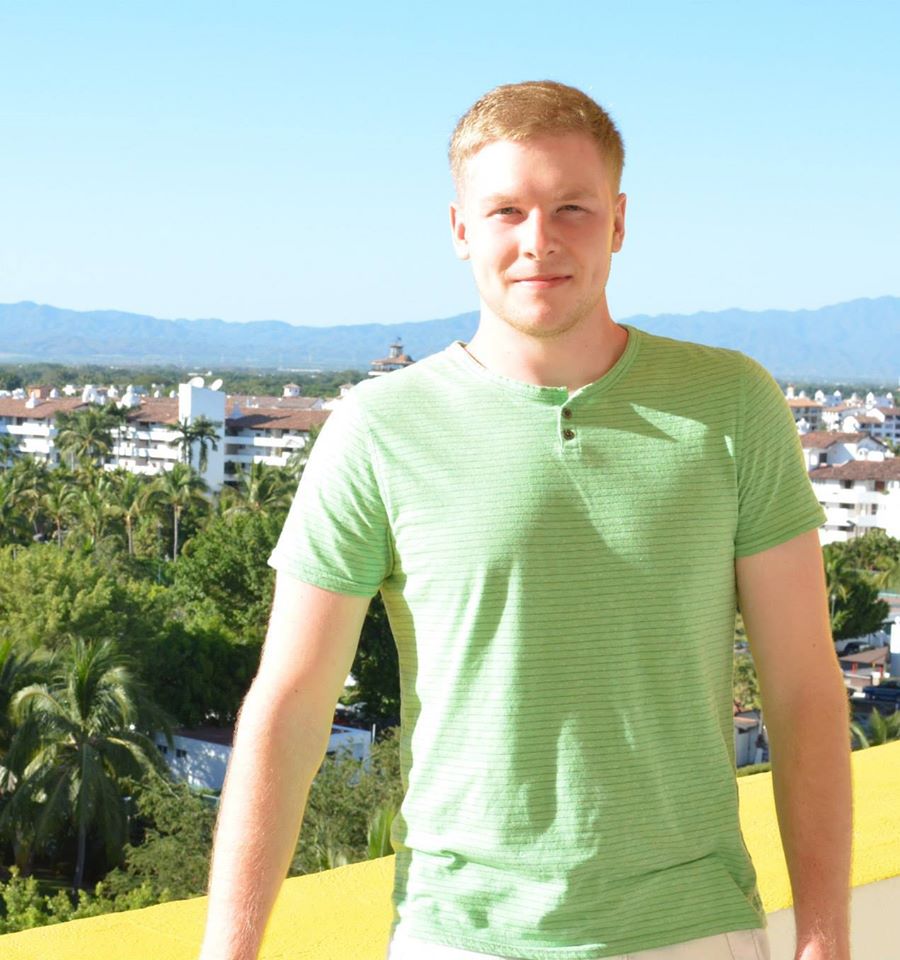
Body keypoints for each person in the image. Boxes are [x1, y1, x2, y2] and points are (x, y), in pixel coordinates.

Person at [199, 81, 852, 960]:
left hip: (696, 928)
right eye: (506, 210)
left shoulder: (732, 403)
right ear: (461, 228)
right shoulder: (378, 428)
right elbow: (290, 706)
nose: (539, 239)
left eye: (571, 207)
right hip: (458, 935)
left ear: (619, 221)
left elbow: (805, 691)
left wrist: (824, 938)